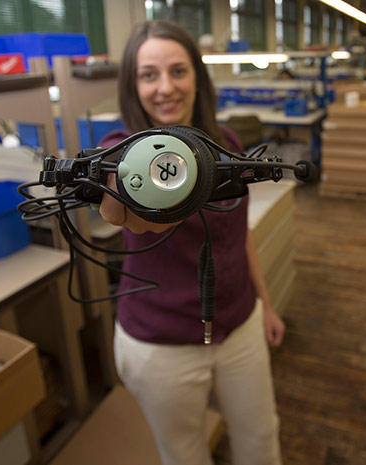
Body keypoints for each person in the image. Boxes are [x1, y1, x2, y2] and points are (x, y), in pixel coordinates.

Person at [97, 20, 285, 465]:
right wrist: (130, 198)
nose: (166, 87)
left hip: (239, 325)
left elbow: (240, 235)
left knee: (262, 439)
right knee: (184, 456)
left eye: (178, 71)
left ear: (198, 79)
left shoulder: (227, 145)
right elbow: (119, 195)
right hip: (162, 345)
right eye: (149, 75)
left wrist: (265, 302)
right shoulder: (122, 150)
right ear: (132, 85)